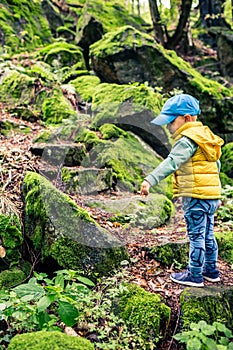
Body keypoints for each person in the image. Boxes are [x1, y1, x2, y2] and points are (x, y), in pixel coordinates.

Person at [140, 94, 224, 287]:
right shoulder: (206, 137)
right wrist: (216, 193)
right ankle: (211, 271)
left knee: (196, 236)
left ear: (187, 118)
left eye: (171, 122)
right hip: (210, 195)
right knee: (208, 234)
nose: (168, 127)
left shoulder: (187, 140)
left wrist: (150, 179)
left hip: (195, 195)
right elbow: (215, 165)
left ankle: (194, 275)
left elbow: (172, 162)